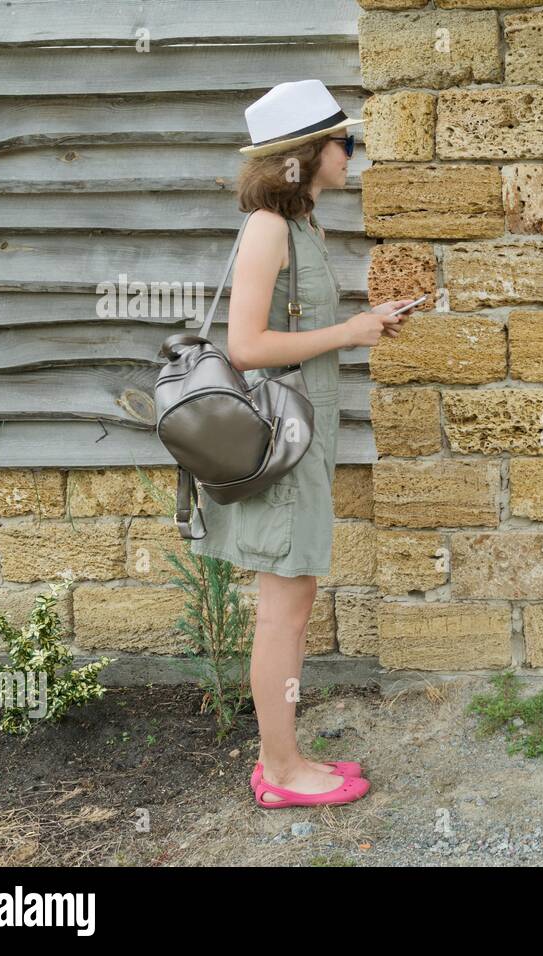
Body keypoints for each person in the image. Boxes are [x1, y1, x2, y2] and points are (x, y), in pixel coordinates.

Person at [188, 79, 417, 809]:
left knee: (296, 597)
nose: (351, 152)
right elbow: (247, 345)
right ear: (304, 154)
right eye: (342, 141)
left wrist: (368, 319)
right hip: (281, 443)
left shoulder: (303, 225)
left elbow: (295, 333)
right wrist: (351, 332)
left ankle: (281, 754)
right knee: (281, 609)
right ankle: (281, 773)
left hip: (306, 436)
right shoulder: (268, 228)